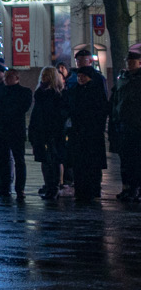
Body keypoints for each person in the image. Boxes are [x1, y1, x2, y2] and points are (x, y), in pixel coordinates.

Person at [66, 48, 110, 202]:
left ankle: (93, 189)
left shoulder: (96, 83)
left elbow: (101, 108)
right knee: (80, 163)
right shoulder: (75, 89)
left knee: (92, 162)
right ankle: (81, 189)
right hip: (78, 131)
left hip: (92, 131)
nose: (81, 78)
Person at [0, 68, 32, 199]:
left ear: (16, 78)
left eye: (9, 77)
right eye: (6, 77)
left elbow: (22, 108)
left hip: (16, 130)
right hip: (2, 130)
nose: (6, 79)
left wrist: (4, 113)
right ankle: (5, 188)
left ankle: (19, 189)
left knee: (19, 160)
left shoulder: (24, 92)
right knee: (3, 160)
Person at [30, 67, 68, 198]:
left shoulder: (58, 94)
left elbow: (60, 114)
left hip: (53, 131)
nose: (43, 78)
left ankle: (54, 186)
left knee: (54, 160)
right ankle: (49, 185)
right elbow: (36, 113)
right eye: (43, 75)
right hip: (42, 131)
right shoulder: (40, 93)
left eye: (46, 75)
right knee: (45, 160)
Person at [113, 48, 141, 202]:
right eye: (128, 61)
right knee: (126, 159)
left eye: (132, 61)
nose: (129, 64)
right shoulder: (123, 78)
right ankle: (128, 187)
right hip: (124, 124)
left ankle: (136, 188)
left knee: (136, 159)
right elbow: (116, 99)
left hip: (137, 125)